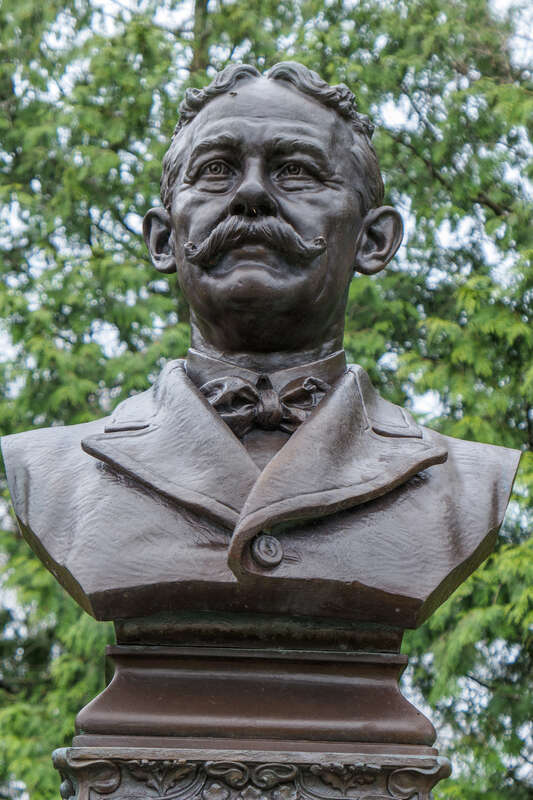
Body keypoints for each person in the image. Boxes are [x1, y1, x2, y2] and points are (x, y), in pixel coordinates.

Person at [1, 63, 520, 634]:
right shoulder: (53, 470)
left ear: (374, 241)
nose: (250, 195)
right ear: (164, 238)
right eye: (216, 171)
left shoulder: (468, 482)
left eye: (295, 172)